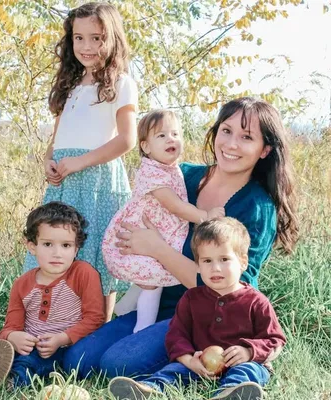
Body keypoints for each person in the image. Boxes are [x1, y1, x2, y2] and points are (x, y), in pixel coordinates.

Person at [61, 97, 299, 380]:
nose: (231, 144)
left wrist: (157, 249)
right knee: (78, 360)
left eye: (246, 137)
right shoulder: (181, 176)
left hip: (209, 316)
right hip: (159, 302)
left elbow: (230, 286)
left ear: (265, 150)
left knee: (117, 363)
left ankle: (227, 363)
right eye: (226, 131)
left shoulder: (256, 206)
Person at [22, 2, 138, 321]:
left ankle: (97, 329)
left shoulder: (120, 84)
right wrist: (49, 159)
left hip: (98, 181)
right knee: (58, 249)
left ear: (112, 39)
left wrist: (81, 162)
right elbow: (57, 137)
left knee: (96, 253)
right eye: (79, 38)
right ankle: (54, 325)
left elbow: (127, 139)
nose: (86, 46)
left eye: (96, 38)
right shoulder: (69, 85)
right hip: (65, 182)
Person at [0, 202, 105, 394]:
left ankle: (8, 383)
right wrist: (12, 337)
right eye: (47, 244)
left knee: (28, 363)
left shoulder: (83, 273)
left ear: (76, 248)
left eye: (66, 245)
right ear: (32, 246)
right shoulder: (22, 284)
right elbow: (10, 326)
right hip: (26, 343)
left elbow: (95, 318)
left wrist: (61, 339)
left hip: (60, 349)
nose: (57, 253)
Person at [108, 217, 286, 400]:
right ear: (198, 266)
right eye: (207, 261)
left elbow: (275, 340)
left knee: (247, 371)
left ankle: (232, 392)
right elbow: (176, 335)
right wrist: (189, 360)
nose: (215, 268)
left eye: (224, 259)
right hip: (201, 364)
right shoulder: (191, 298)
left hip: (244, 362)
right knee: (173, 371)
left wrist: (249, 352)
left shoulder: (256, 301)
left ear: (243, 262)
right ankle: (150, 390)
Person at [102, 109, 224, 333]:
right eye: (161, 135)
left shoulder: (168, 167)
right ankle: (143, 327)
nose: (171, 139)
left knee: (151, 274)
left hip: (154, 230)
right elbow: (174, 205)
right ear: (146, 147)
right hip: (138, 232)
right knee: (153, 281)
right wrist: (205, 217)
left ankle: (126, 307)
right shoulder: (153, 173)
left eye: (175, 134)